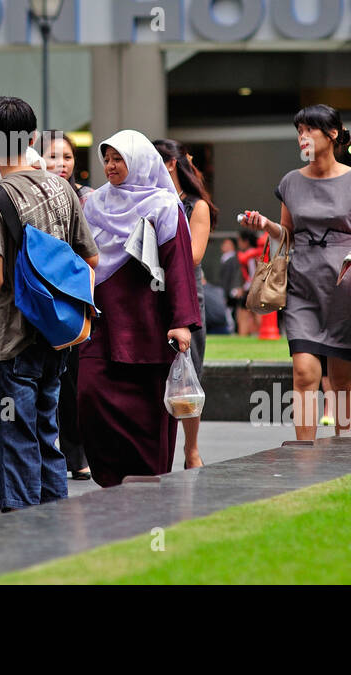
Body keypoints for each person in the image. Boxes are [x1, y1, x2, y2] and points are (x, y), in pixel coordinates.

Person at [0, 98, 99, 511]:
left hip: (12, 335)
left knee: (13, 431)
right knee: (47, 427)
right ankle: (54, 520)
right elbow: (90, 259)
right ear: (30, 138)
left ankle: (22, 526)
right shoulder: (62, 187)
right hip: (56, 332)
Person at [241, 104, 351, 441]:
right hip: (302, 285)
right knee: (304, 372)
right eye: (299, 131)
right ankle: (303, 454)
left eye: (309, 130)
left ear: (332, 135)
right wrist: (266, 225)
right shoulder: (290, 182)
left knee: (341, 377)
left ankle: (346, 447)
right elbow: (288, 235)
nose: (302, 137)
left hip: (347, 288)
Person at [79, 130, 199, 488]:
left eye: (119, 159)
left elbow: (178, 266)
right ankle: (109, 480)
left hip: (148, 323)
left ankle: (146, 482)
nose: (111, 166)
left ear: (140, 162)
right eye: (107, 159)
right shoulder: (94, 203)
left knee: (147, 411)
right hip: (102, 319)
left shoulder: (163, 206)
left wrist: (181, 323)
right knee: (89, 395)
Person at [154, 138, 218, 470]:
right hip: (150, 293)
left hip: (186, 295)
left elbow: (192, 255)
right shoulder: (147, 200)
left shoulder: (196, 205)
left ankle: (190, 449)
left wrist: (151, 255)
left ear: (169, 163)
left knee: (188, 370)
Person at [41, 128, 92, 478]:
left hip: (74, 294)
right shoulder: (32, 194)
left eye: (67, 157)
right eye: (53, 156)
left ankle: (77, 454)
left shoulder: (88, 197)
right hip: (38, 293)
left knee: (73, 377)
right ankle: (45, 451)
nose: (61, 164)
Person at [217, 236, 243, 334]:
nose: (224, 246)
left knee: (231, 313)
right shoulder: (225, 258)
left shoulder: (233, 259)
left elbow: (232, 276)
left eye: (227, 244)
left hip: (230, 291)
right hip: (226, 290)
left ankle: (232, 330)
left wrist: (227, 292)